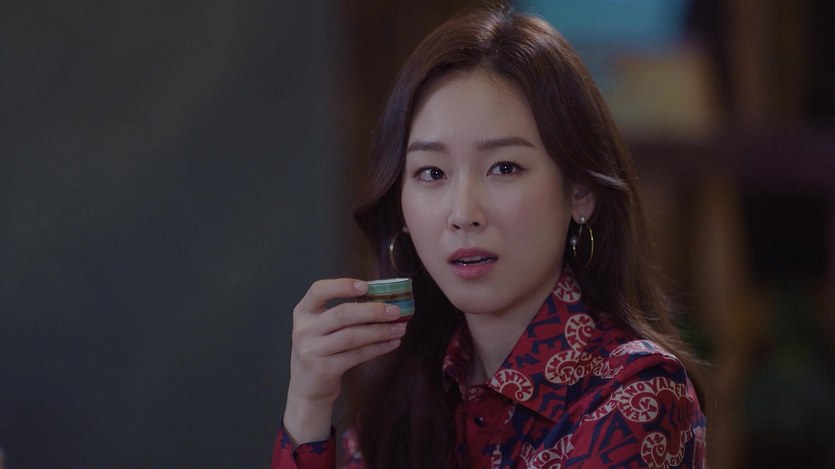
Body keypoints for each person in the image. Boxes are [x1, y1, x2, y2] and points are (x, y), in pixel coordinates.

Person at [274, 6, 707, 469]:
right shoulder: (405, 395)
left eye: (504, 167)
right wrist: (308, 406)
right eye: (432, 172)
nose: (463, 214)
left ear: (579, 192)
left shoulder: (637, 391)